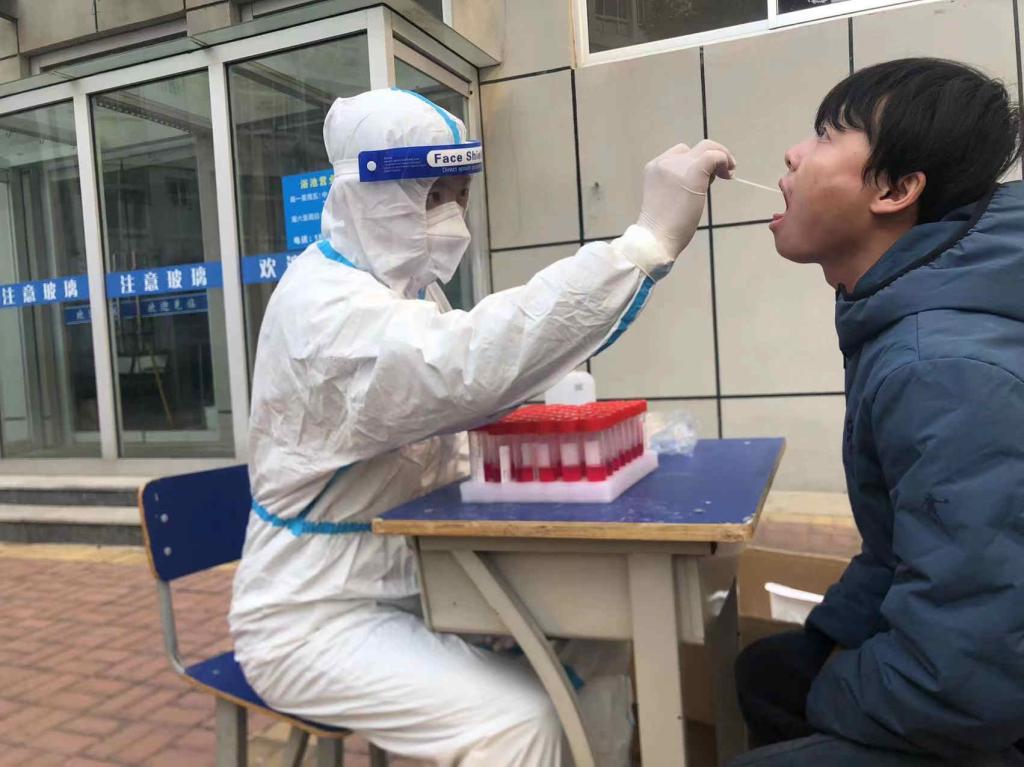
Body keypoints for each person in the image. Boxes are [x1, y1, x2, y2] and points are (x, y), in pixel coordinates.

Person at [229, 87, 735, 766]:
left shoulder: (402, 291)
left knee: (597, 644)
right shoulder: (324, 311)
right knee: (517, 726)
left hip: (417, 585)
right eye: (432, 196)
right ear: (367, 195)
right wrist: (639, 247)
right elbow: (466, 364)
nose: (451, 216)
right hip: (314, 618)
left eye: (460, 195)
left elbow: (460, 386)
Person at [731, 58, 1024, 766]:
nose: (793, 154)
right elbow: (901, 549)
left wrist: (831, 690)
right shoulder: (904, 315)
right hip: (974, 665)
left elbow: (967, 672)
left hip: (985, 698)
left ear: (894, 190)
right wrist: (830, 641)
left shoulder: (942, 367)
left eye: (826, 136)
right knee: (770, 673)